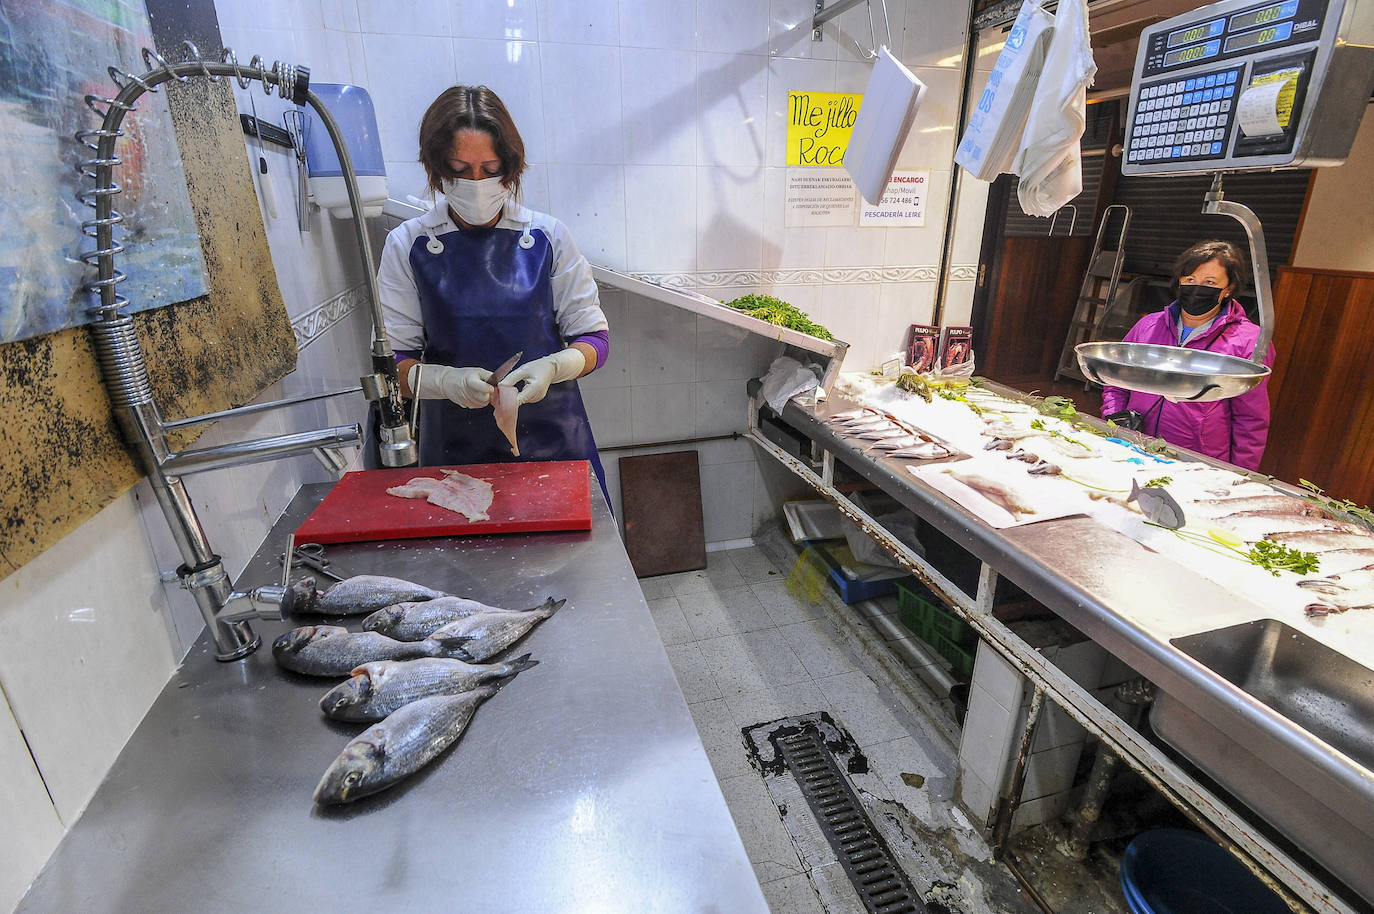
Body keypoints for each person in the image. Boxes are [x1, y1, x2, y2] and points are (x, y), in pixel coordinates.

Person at [376, 85, 609, 493]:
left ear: (511, 167)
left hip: (556, 440)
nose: (477, 183)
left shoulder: (547, 237)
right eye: (461, 170)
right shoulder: (407, 245)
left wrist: (553, 366)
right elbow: (394, 363)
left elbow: (595, 341)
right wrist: (445, 381)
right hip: (455, 451)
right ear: (436, 169)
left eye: (490, 168)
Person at [1099, 240, 1273, 470]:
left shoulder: (1249, 341)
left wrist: (1239, 475)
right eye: (1190, 280)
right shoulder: (1148, 326)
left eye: (1210, 282)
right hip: (1132, 447)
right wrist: (1115, 420)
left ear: (1229, 288)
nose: (1197, 287)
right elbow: (1115, 382)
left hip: (1196, 462)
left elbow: (1250, 420)